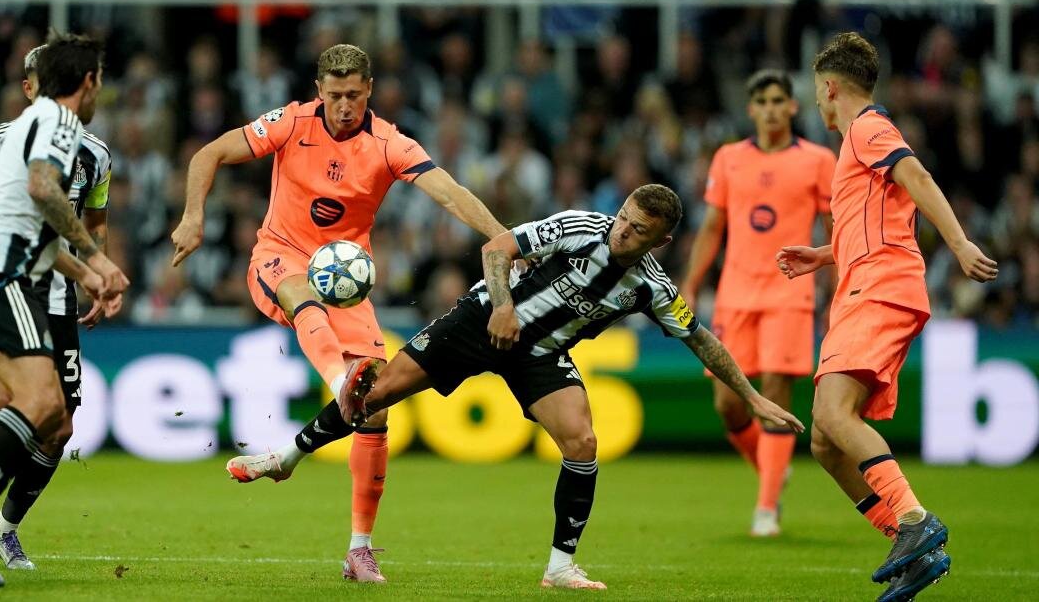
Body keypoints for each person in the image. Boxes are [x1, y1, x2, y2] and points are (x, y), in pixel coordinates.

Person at [229, 185, 804, 590]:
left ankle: (560, 567)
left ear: (662, 239)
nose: (623, 231)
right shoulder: (581, 226)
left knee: (582, 442)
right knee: (373, 396)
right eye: (624, 218)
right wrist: (504, 305)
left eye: (638, 231)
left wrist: (752, 397)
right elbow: (497, 247)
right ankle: (285, 458)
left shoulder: (651, 286)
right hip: (482, 320)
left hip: (541, 354)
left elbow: (700, 338)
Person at [169, 43, 507, 583]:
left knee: (376, 409)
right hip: (280, 257)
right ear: (319, 91)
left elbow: (449, 193)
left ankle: (358, 549)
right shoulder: (290, 122)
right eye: (334, 96)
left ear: (369, 90)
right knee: (302, 296)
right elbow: (207, 154)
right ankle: (337, 379)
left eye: (353, 95)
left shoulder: (390, 143)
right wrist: (193, 217)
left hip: (345, 284)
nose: (344, 106)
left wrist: (503, 236)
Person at [778, 32, 998, 602]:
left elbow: (917, 178)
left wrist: (959, 243)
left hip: (878, 286)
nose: (816, 103)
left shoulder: (867, 128)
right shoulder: (857, 143)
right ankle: (910, 546)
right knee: (825, 441)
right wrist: (823, 254)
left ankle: (914, 521)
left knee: (834, 412)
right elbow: (879, 220)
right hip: (865, 283)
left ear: (831, 87)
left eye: (816, 92)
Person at [0, 32, 128, 588]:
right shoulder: (59, 123)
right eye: (99, 80)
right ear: (88, 82)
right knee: (31, 401)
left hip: (1, 270)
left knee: (53, 411)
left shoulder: (33, 126)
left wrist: (89, 275)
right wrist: (95, 257)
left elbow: (33, 227)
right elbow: (42, 190)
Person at [680, 69, 836, 537]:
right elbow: (712, 226)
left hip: (790, 292)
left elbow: (835, 231)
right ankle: (772, 469)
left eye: (778, 101)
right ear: (751, 109)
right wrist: (691, 283)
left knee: (774, 388)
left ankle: (766, 508)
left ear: (792, 106)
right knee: (728, 404)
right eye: (762, 102)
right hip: (735, 294)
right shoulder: (729, 158)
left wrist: (839, 290)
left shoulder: (818, 160)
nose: (770, 109)